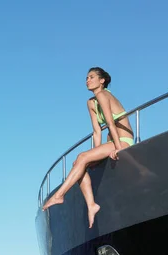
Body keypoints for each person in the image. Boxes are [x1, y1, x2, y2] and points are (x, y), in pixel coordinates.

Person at [42, 67, 134, 228]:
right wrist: (94, 155)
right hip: (109, 143)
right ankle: (91, 205)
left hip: (123, 140)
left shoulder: (103, 95)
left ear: (102, 80)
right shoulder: (90, 102)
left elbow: (111, 124)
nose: (87, 80)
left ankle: (59, 195)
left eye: (91, 77)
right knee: (79, 162)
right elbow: (96, 131)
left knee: (82, 158)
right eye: (86, 78)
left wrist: (119, 148)